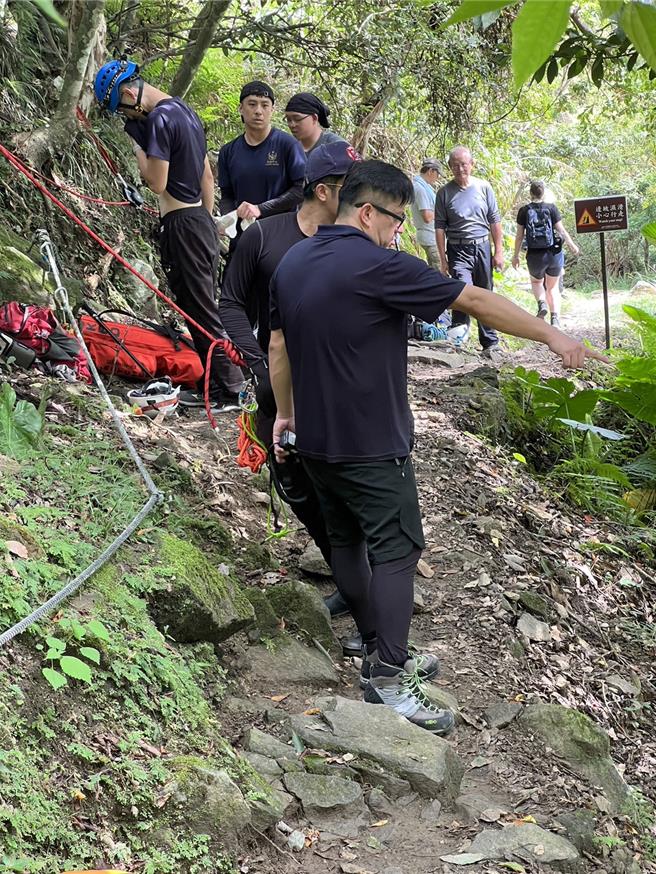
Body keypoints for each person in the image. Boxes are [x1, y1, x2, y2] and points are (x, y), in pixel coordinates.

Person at [268, 159, 606, 734]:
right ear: (368, 211)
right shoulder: (379, 264)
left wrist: (285, 414)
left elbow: (278, 345)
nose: (399, 231)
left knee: (347, 542)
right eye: (396, 219)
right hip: (372, 444)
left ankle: (378, 646)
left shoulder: (293, 261)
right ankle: (390, 681)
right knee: (398, 551)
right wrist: (551, 333)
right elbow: (470, 300)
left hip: (315, 440)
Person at [220, 141, 361, 631]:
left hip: (338, 385)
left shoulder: (360, 238)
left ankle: (364, 589)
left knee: (342, 484)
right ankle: (348, 575)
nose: (361, 196)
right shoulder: (262, 237)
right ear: (323, 191)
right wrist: (258, 361)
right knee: (295, 484)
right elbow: (231, 302)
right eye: (349, 185)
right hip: (276, 380)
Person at [93, 58, 244, 412]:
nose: (126, 118)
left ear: (130, 93)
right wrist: (207, 222)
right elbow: (207, 176)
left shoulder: (159, 119)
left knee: (199, 312)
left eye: (123, 110)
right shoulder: (185, 112)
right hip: (199, 222)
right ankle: (223, 385)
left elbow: (156, 182)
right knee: (204, 305)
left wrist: (138, 148)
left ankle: (229, 390)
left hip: (181, 224)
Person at [435, 146, 504, 356]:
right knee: (461, 291)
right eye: (455, 165)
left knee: (485, 293)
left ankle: (490, 342)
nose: (460, 169)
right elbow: (439, 228)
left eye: (464, 164)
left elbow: (495, 221)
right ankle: (458, 340)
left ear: (472, 164)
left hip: (482, 246)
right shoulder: (444, 193)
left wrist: (498, 251)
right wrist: (443, 260)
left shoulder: (484, 187)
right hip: (457, 248)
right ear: (450, 167)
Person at [218, 81, 306, 224]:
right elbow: (227, 195)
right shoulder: (228, 151)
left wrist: (260, 209)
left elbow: (302, 189)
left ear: (272, 110)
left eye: (265, 105)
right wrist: (228, 218)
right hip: (243, 233)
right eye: (252, 104)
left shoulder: (288, 145)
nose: (258, 111)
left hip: (280, 231)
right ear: (241, 108)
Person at [512, 180, 579, 329]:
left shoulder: (524, 211)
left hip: (535, 255)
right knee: (553, 287)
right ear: (543, 193)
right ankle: (555, 319)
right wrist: (572, 245)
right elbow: (562, 231)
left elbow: (519, 236)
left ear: (530, 193)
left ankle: (542, 304)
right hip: (553, 253)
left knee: (536, 282)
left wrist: (515, 255)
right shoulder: (552, 208)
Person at [411, 158, 443, 270]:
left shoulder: (425, 187)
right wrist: (442, 214)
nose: (438, 177)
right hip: (429, 237)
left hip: (432, 236)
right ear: (430, 171)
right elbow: (427, 216)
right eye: (437, 173)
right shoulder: (420, 189)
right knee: (439, 269)